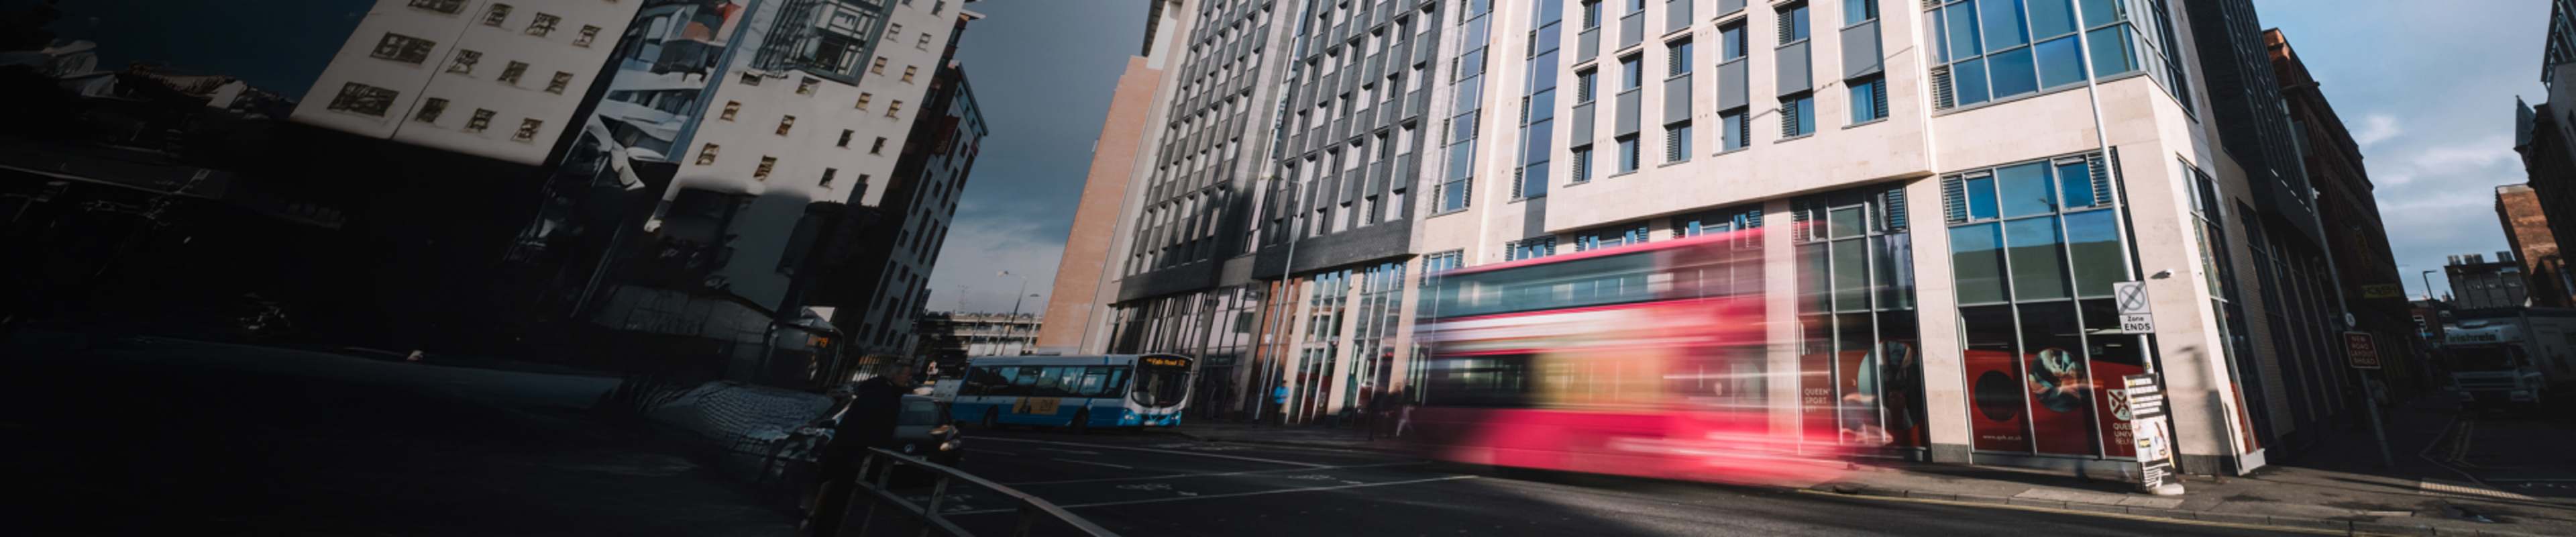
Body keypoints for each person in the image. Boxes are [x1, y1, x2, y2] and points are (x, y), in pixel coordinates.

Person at [804, 369, 913, 537]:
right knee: (838, 500)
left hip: (848, 453)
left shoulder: (876, 393)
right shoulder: (883, 396)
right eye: (906, 374)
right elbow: (872, 429)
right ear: (895, 376)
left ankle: (817, 526)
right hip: (853, 456)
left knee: (833, 498)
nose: (909, 378)